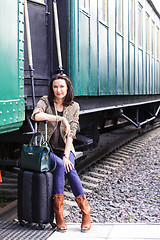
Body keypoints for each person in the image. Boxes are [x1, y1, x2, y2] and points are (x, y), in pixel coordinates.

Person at [31, 73, 91, 232]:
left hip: (65, 148)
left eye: (61, 86)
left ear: (67, 88)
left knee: (68, 167)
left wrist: (66, 155)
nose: (58, 90)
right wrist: (60, 119)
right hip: (45, 148)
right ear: (52, 88)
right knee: (59, 165)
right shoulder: (45, 101)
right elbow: (36, 115)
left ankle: (85, 211)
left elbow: (71, 135)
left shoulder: (74, 106)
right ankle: (59, 213)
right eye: (55, 86)